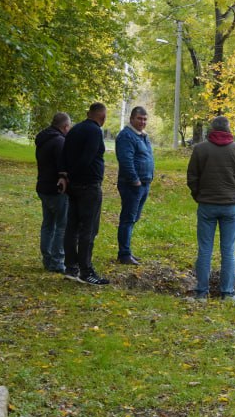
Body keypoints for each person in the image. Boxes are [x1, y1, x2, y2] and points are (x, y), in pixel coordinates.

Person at [186, 115, 235, 300]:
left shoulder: (200, 149)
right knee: (228, 250)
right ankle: (227, 293)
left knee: (205, 249)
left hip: (206, 205)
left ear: (212, 129)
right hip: (230, 206)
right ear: (228, 129)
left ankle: (201, 292)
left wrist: (198, 195)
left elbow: (192, 177)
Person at [59, 102, 110, 285]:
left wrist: (66, 175)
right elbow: (88, 158)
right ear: (102, 117)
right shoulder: (95, 131)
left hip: (73, 185)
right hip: (89, 185)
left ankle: (71, 267)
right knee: (88, 228)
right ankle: (86, 271)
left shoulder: (74, 130)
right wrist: (75, 174)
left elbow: (64, 155)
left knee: (72, 227)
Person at [115, 106, 154, 265]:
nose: (142, 122)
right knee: (128, 219)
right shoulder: (126, 136)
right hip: (132, 185)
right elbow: (126, 161)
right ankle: (124, 254)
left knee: (133, 218)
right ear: (131, 119)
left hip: (144, 183)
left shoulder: (143, 136)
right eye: (139, 119)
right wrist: (135, 180)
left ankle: (126, 251)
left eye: (145, 119)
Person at [34, 112, 71, 273]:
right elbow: (62, 166)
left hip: (43, 187)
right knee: (61, 226)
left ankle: (47, 259)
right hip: (56, 189)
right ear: (65, 126)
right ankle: (57, 261)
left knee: (48, 224)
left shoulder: (43, 140)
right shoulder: (60, 142)